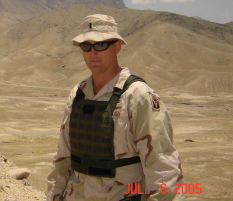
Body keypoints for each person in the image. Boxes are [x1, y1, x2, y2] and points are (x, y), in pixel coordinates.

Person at [46, 14, 184, 201]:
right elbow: (63, 157)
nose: (93, 53)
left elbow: (161, 167)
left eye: (101, 45)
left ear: (117, 46)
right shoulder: (77, 94)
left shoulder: (137, 96)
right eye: (86, 46)